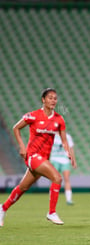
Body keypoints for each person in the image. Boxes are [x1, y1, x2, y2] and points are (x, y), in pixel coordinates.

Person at [0, 88, 74, 227]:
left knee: (22, 187)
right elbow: (16, 128)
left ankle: (2, 208)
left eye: (55, 98)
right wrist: (22, 147)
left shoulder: (59, 119)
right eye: (50, 98)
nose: (53, 100)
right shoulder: (33, 116)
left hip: (44, 158)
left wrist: (68, 152)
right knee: (57, 178)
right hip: (32, 156)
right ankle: (51, 212)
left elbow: (64, 140)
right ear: (43, 100)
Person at [50, 132, 77, 205]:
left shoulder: (67, 136)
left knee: (66, 179)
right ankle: (52, 198)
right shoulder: (52, 136)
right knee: (54, 179)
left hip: (65, 160)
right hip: (54, 159)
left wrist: (73, 160)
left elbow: (71, 149)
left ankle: (69, 199)